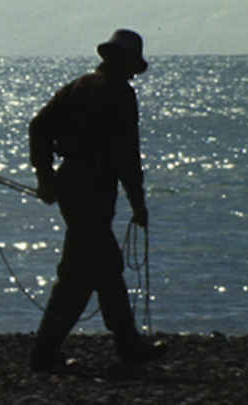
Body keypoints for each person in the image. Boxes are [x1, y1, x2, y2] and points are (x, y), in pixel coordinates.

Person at [29, 29, 164, 372]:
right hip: (95, 188)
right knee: (83, 273)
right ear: (125, 63)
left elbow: (38, 127)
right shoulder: (120, 94)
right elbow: (126, 155)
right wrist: (138, 203)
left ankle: (128, 344)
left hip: (70, 184)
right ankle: (45, 353)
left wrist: (45, 177)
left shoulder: (77, 87)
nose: (133, 72)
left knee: (103, 268)